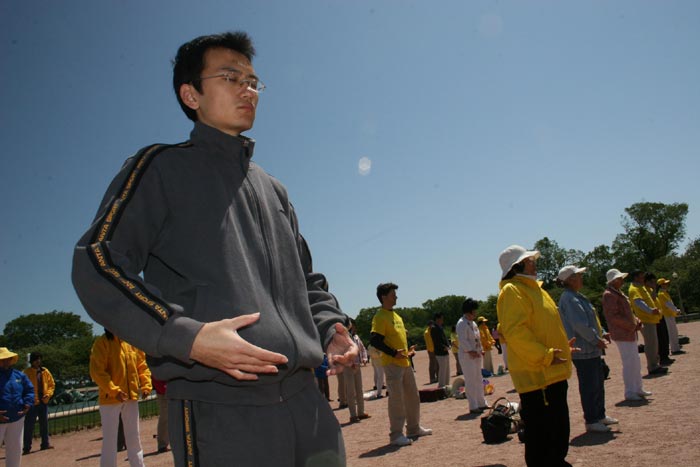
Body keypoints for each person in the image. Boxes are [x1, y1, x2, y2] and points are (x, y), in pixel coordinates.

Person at [71, 31, 357, 467]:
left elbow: (306, 280)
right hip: (220, 408)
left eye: (253, 81)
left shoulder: (273, 189)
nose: (248, 90)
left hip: (309, 404)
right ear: (191, 95)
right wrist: (186, 335)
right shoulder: (161, 168)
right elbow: (98, 260)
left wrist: (331, 328)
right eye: (230, 77)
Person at [496, 245, 573, 467]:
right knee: (543, 438)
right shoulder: (512, 291)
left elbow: (543, 328)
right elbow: (516, 333)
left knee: (558, 431)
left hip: (552, 372)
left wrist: (562, 348)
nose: (534, 263)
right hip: (539, 377)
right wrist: (545, 356)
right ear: (517, 266)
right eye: (529, 260)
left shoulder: (536, 290)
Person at [557, 266, 618, 433]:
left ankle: (599, 415)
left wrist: (602, 332)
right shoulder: (570, 298)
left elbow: (592, 320)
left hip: (590, 349)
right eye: (578, 275)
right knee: (589, 385)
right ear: (570, 279)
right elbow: (580, 325)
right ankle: (591, 419)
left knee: (598, 383)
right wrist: (595, 339)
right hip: (583, 350)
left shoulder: (576, 296)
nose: (582, 278)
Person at [370, 283, 432, 447]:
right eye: (393, 294)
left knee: (413, 396)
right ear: (384, 297)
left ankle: (413, 428)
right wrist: (393, 352)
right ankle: (396, 435)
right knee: (396, 399)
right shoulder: (379, 316)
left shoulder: (397, 316)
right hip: (392, 363)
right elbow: (375, 340)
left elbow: (398, 338)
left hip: (405, 362)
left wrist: (408, 351)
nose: (396, 297)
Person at [90, 330, 152, 467]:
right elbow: (97, 371)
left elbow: (142, 366)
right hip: (110, 399)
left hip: (131, 397)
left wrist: (146, 385)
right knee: (110, 440)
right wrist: (114, 391)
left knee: (134, 437)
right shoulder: (102, 343)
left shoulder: (132, 342)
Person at [601, 269, 651, 402]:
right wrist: (631, 325)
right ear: (612, 281)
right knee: (629, 362)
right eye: (619, 279)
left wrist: (636, 321)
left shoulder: (617, 292)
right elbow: (613, 316)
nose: (622, 280)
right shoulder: (609, 295)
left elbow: (628, 312)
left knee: (635, 361)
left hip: (628, 332)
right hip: (622, 333)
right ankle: (630, 391)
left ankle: (638, 388)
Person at [628, 271, 667, 376]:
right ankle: (652, 367)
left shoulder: (641, 287)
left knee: (654, 343)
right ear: (636, 277)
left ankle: (655, 364)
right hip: (645, 320)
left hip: (651, 319)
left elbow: (650, 298)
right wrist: (650, 310)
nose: (643, 279)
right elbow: (638, 302)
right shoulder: (634, 289)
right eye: (641, 277)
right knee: (650, 344)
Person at [0, 347, 34, 467]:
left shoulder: (19, 375)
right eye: (3, 359)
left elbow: (29, 390)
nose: (6, 361)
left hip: (17, 418)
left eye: (8, 359)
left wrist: (27, 404)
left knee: (15, 450)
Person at [456, 299, 488, 414]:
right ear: (469, 311)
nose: (475, 313)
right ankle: (473, 405)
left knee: (479, 378)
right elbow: (462, 340)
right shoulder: (461, 323)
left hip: (477, 354)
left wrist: (480, 349)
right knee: (470, 380)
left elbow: (477, 338)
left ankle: (482, 402)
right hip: (467, 356)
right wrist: (470, 350)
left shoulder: (473, 323)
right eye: (474, 311)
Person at [22, 352, 55, 454]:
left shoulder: (45, 371)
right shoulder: (26, 373)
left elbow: (51, 384)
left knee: (44, 425)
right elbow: (23, 387)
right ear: (32, 361)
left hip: (43, 401)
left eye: (39, 359)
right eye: (36, 359)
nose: (38, 361)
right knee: (29, 426)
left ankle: (45, 444)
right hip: (32, 403)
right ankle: (26, 447)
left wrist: (48, 394)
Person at [345, 321, 370, 423]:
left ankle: (361, 412)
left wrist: (364, 358)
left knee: (359, 390)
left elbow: (362, 349)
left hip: (357, 366)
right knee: (351, 391)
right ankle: (353, 415)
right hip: (348, 367)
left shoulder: (356, 337)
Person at [646, 273, 672, 366]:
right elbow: (652, 299)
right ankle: (662, 358)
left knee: (665, 336)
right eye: (651, 281)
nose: (653, 283)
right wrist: (654, 289)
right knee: (660, 338)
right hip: (654, 318)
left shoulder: (652, 290)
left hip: (660, 316)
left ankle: (666, 355)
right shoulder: (646, 290)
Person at [657, 278, 685, 355]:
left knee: (674, 332)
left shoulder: (664, 293)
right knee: (672, 332)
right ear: (661, 285)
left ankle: (676, 348)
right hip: (667, 315)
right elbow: (668, 304)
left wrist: (675, 310)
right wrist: (676, 310)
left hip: (669, 314)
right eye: (665, 284)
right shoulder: (661, 294)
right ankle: (675, 349)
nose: (667, 285)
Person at [430, 313, 451, 388]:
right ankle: (442, 385)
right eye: (441, 319)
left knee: (447, 368)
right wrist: (443, 347)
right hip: (439, 352)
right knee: (442, 369)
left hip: (445, 351)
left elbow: (444, 338)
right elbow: (436, 341)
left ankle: (447, 384)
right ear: (437, 319)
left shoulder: (440, 327)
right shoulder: (433, 328)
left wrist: (448, 345)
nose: (442, 320)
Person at [151, 377, 169, 453]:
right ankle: (162, 445)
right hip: (163, 391)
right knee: (164, 418)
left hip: (173, 389)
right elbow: (155, 376)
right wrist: (164, 388)